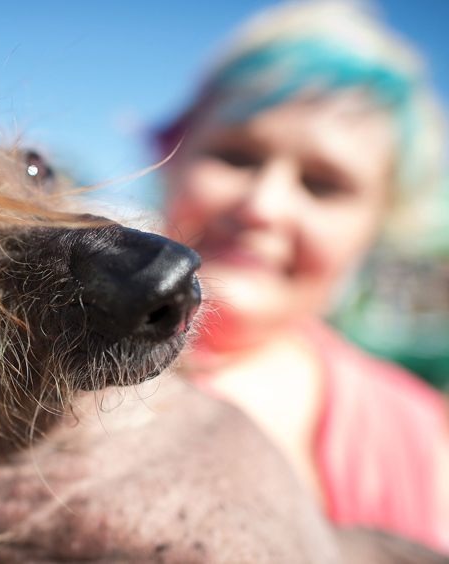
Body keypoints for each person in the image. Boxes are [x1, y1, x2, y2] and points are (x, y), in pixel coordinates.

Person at [155, 0, 449, 551]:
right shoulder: (51, 371)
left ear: (378, 224)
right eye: (237, 156)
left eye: (323, 184)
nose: (264, 206)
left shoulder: (422, 436)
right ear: (170, 154)